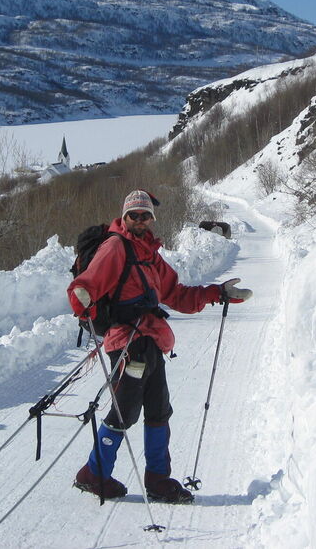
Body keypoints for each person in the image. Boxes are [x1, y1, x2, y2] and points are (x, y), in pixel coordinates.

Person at [68, 189, 252, 504]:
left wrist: (216, 293)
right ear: (124, 217)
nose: (139, 220)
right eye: (133, 215)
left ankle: (158, 479)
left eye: (145, 215)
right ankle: (94, 473)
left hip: (150, 341)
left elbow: (176, 294)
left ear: (152, 219)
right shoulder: (116, 247)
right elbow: (85, 285)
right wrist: (82, 297)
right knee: (124, 411)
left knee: (159, 410)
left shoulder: (149, 255)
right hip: (126, 342)